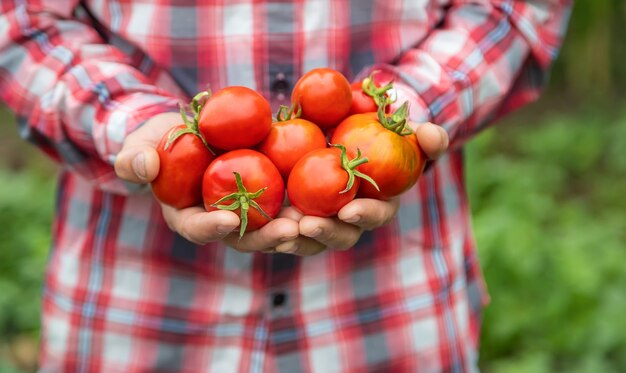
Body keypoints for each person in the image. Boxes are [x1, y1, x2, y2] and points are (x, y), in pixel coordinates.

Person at [0, 0, 572, 371]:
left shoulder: (364, 133)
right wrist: (133, 127)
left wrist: (396, 112)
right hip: (136, 308)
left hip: (394, 309)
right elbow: (20, 18)